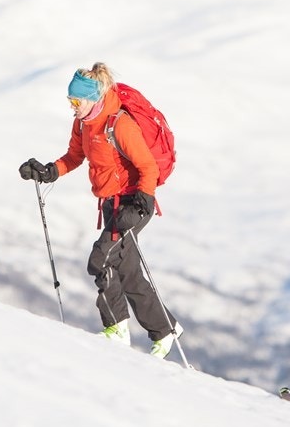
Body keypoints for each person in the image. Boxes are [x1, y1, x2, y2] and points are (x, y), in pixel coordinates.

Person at [18, 63, 182, 359]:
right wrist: (49, 172)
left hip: (135, 203)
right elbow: (74, 156)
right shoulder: (83, 124)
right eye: (70, 102)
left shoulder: (119, 124)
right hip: (110, 203)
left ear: (91, 98)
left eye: (76, 101)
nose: (72, 107)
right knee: (128, 270)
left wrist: (144, 196)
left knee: (101, 259)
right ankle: (165, 330)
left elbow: (147, 166)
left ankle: (116, 327)